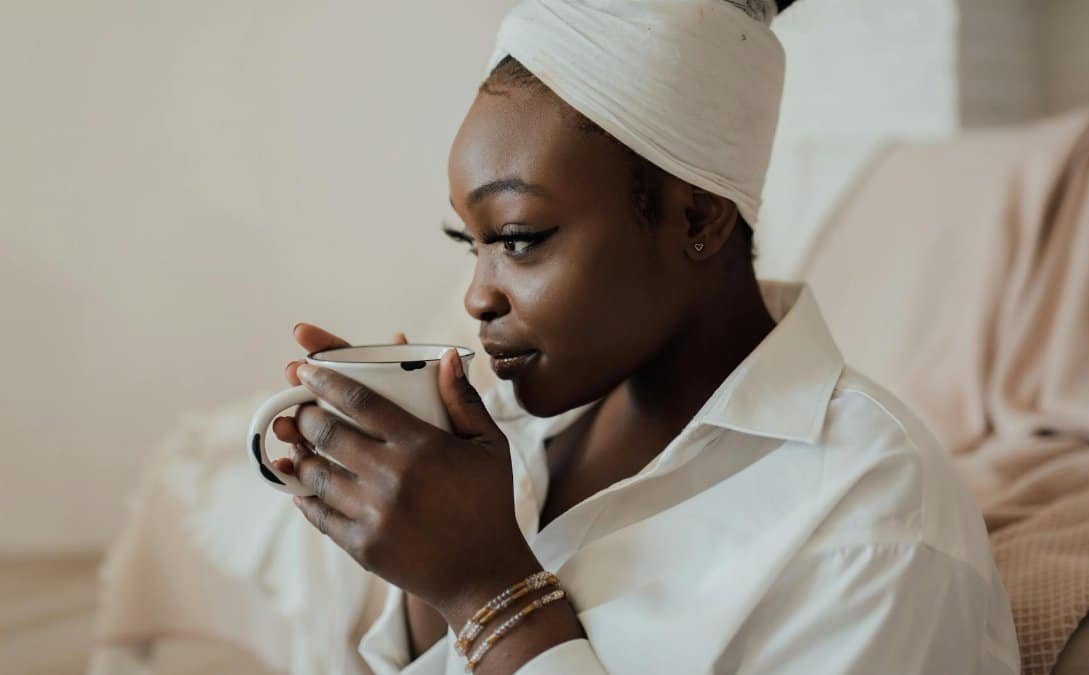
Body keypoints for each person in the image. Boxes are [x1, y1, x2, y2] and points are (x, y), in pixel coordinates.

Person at [267, 1, 1020, 673]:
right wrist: (423, 549)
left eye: (520, 238)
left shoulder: (876, 521)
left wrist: (488, 590)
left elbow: (483, 602)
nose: (476, 296)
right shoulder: (518, 436)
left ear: (696, 217)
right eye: (472, 242)